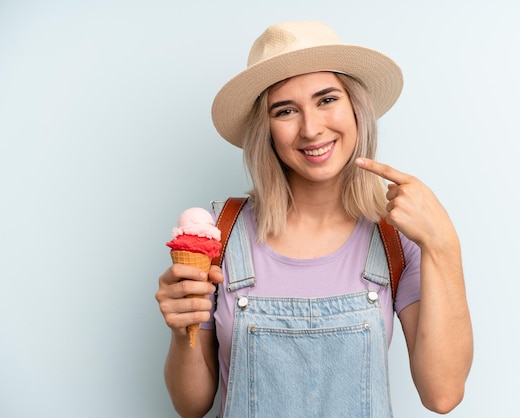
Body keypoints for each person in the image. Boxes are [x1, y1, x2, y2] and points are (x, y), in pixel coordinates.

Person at [156, 20, 473, 418]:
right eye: (285, 110)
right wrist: (180, 326)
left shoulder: (396, 237)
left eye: (327, 100)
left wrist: (444, 244)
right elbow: (191, 405)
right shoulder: (221, 232)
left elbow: (442, 394)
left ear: (355, 108)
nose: (310, 128)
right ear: (265, 130)